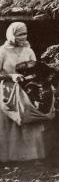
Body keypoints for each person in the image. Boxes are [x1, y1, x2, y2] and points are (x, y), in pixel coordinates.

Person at [0, 22, 46, 163]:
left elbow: (36, 69)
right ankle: (9, 158)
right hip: (9, 90)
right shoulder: (2, 51)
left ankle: (30, 157)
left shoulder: (28, 50)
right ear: (11, 35)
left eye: (25, 34)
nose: (23, 37)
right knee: (11, 122)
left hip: (27, 90)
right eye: (19, 34)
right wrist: (11, 76)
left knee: (29, 120)